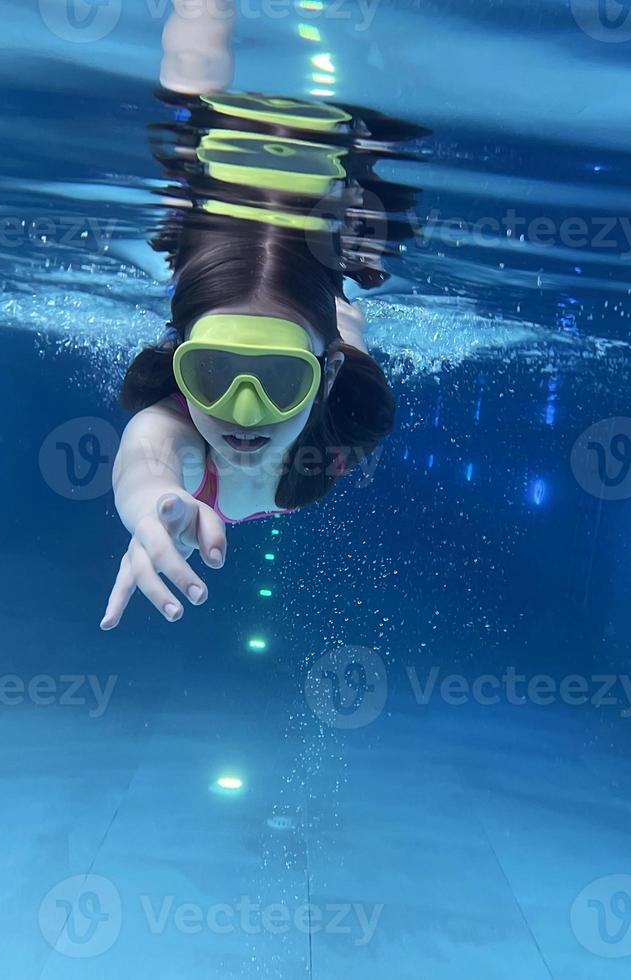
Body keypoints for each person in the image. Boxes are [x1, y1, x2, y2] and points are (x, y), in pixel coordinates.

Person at [100, 0, 424, 629]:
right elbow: (146, 457)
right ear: (181, 367)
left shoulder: (345, 391)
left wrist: (159, 502)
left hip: (327, 316)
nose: (242, 414)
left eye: (279, 380)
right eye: (215, 373)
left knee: (343, 321)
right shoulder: (180, 432)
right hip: (317, 303)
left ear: (322, 379)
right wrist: (149, 503)